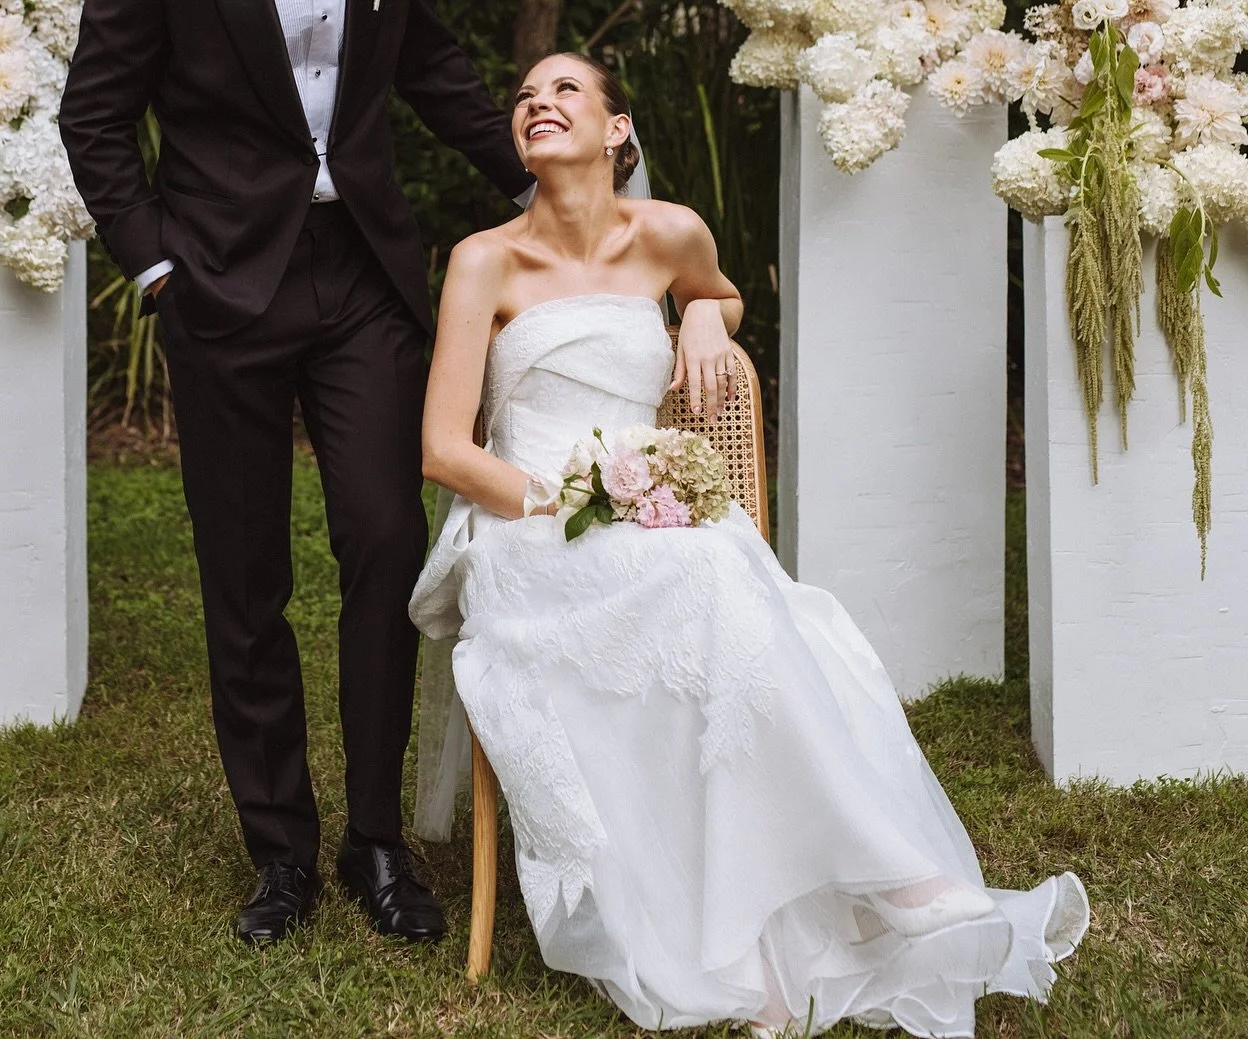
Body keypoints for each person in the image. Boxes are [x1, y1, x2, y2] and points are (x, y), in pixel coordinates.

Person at [410, 51, 1088, 1036]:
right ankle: (878, 879)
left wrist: (704, 322)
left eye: (564, 90)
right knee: (720, 581)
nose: (536, 104)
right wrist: (567, 494)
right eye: (523, 96)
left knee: (736, 585)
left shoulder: (671, 231)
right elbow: (441, 448)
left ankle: (778, 929)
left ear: (617, 128)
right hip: (527, 525)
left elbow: (718, 292)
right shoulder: (486, 258)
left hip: (656, 517)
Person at [58, 0, 533, 947]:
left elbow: (434, 67)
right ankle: (280, 851)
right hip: (223, 287)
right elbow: (97, 119)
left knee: (384, 542)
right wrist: (161, 268)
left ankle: (376, 838)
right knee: (246, 578)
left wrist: (542, 176)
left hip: (365, 277)